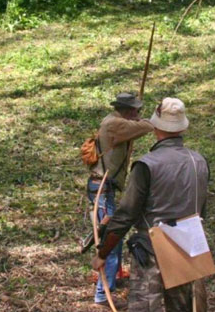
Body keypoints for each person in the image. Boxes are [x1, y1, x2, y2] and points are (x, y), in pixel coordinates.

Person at [92, 97, 210, 312]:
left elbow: (126, 214)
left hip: (152, 247)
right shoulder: (199, 160)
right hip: (188, 245)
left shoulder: (147, 165)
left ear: (156, 126)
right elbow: (201, 209)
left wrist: (102, 253)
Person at [88, 92, 154, 308]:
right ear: (127, 110)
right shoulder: (115, 124)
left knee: (110, 234)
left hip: (104, 186)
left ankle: (110, 279)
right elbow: (147, 127)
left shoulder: (117, 122)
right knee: (110, 240)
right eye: (135, 110)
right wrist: (145, 120)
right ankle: (102, 294)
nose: (138, 113)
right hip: (102, 188)